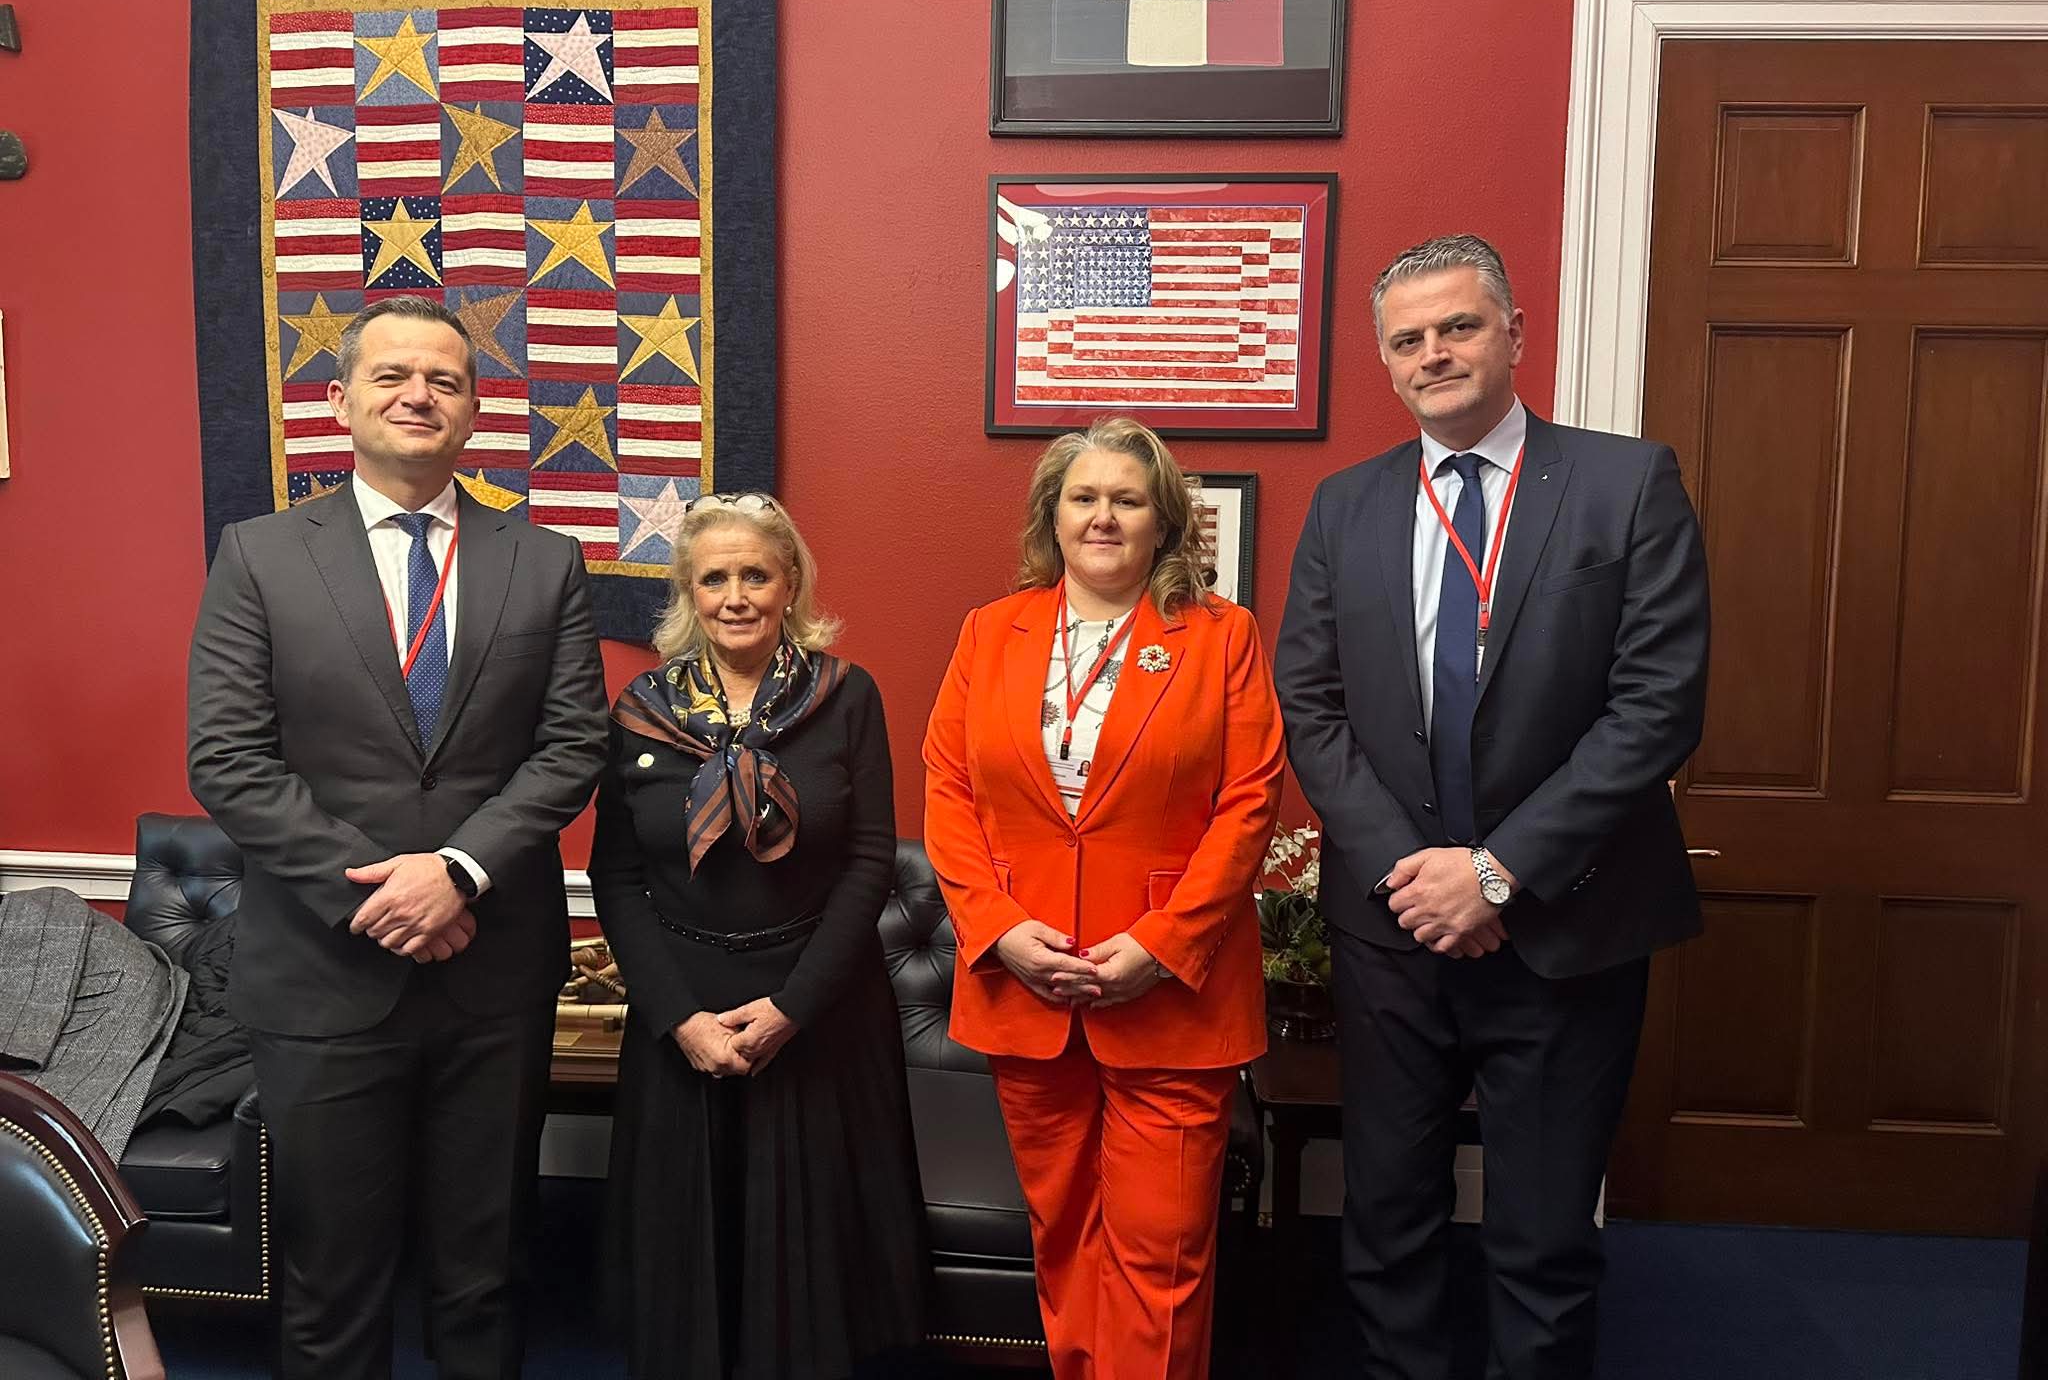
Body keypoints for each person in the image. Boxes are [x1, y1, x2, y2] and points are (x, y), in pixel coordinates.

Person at [1274, 233, 1710, 1379]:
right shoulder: (1343, 507)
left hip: (1568, 925)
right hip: (1394, 936)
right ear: (1385, 362)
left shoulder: (1625, 485)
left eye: (1457, 327)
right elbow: (1310, 708)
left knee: (1541, 1239)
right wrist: (1414, 877)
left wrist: (1496, 873)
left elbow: (1655, 708)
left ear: (1513, 333)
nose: (1433, 353)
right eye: (1406, 340)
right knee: (1386, 1223)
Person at [186, 294, 608, 1380]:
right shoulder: (259, 556)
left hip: (493, 978)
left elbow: (573, 746)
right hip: (321, 977)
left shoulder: (546, 561)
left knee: (486, 1273)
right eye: (392, 375)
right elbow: (227, 758)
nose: (419, 395)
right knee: (331, 1283)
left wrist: (458, 871)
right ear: (340, 402)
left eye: (444, 381)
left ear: (473, 411)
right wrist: (380, 894)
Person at [923, 417, 1285, 1380]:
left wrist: (1162, 944)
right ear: (1053, 515)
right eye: (1084, 497)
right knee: (1064, 1231)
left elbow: (1250, 803)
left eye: (1128, 499)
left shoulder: (1222, 637)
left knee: (1161, 1253)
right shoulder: (990, 631)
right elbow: (947, 791)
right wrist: (999, 931)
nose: (1104, 517)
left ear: (1164, 521)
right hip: (1026, 985)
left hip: (1171, 994)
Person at [588, 491, 926, 1380]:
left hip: (818, 1013)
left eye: (755, 576)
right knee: (686, 1290)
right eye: (714, 579)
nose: (735, 597)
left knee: (810, 1294)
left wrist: (791, 1009)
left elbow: (869, 861)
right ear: (688, 593)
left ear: (790, 586)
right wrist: (678, 1019)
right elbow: (616, 876)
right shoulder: (640, 709)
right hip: (683, 1015)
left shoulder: (846, 696)